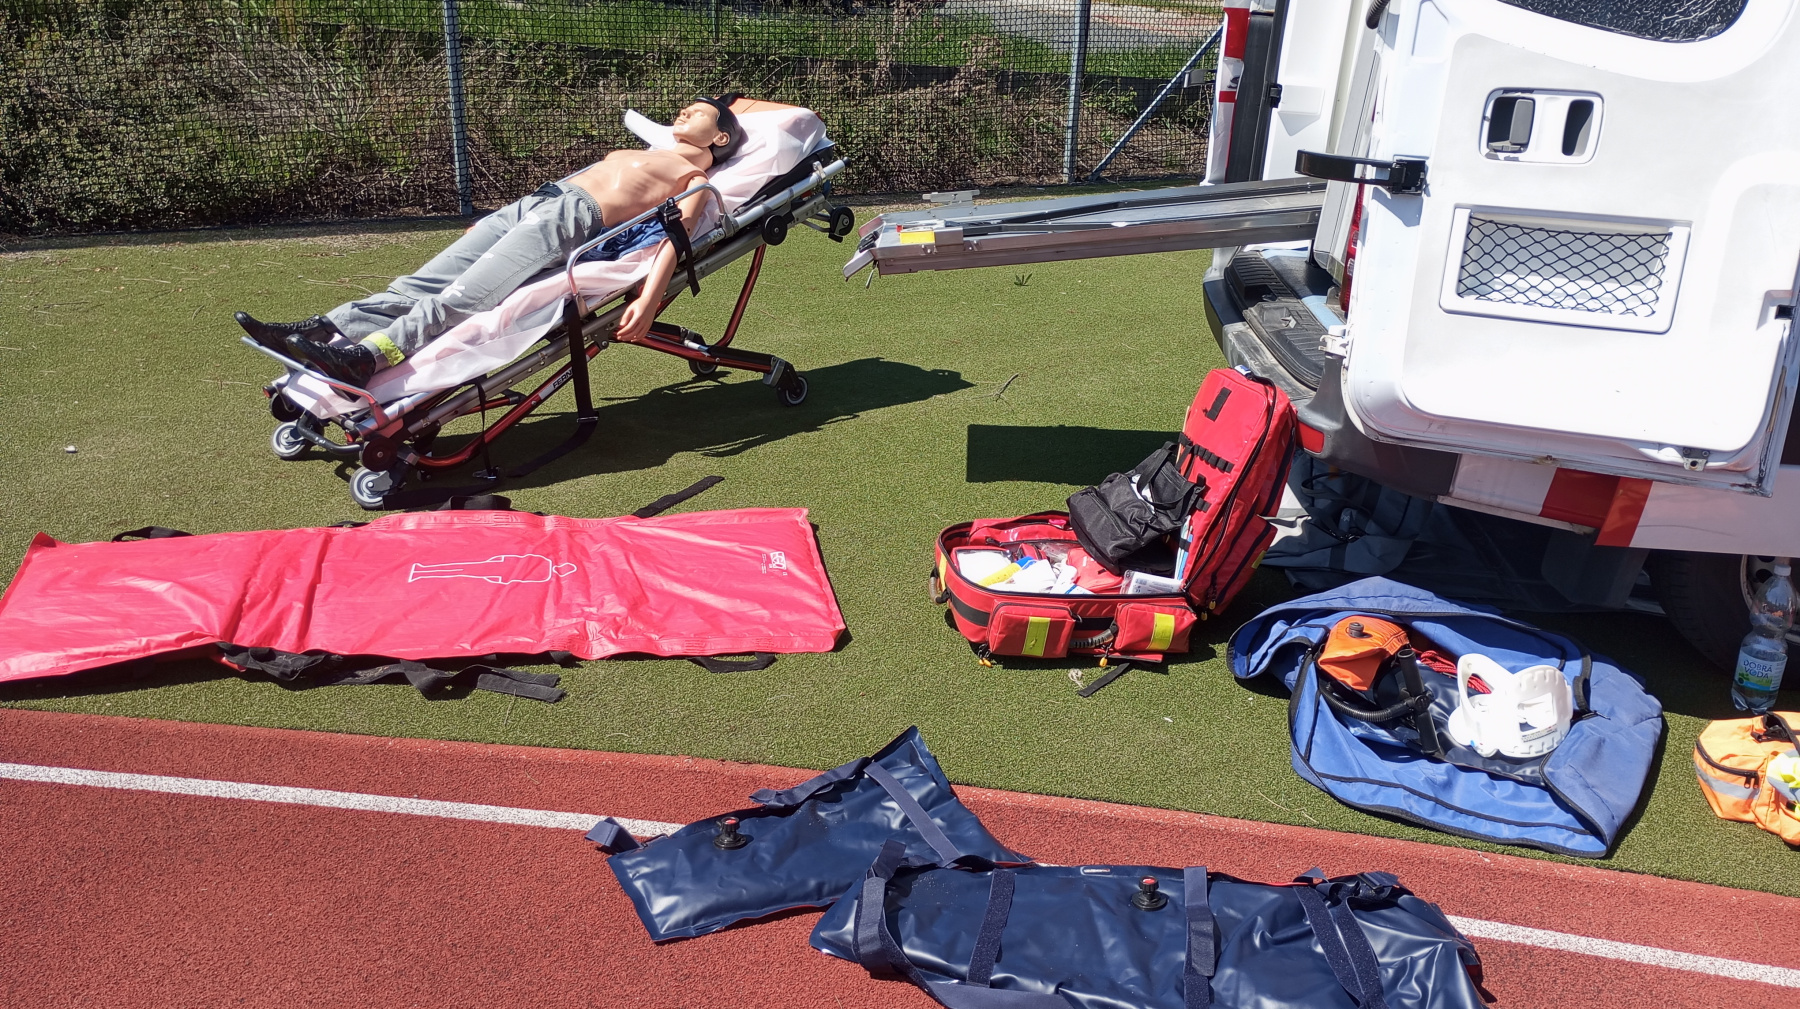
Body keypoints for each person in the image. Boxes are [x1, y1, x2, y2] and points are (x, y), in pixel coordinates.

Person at [237, 96, 746, 386]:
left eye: (698, 111)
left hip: (569, 219)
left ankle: (367, 358)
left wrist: (650, 300)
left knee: (461, 298)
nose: (684, 111)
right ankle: (326, 328)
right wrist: (494, 222)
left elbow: (676, 238)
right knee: (419, 283)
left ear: (720, 138)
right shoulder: (643, 152)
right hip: (537, 203)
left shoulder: (694, 180)